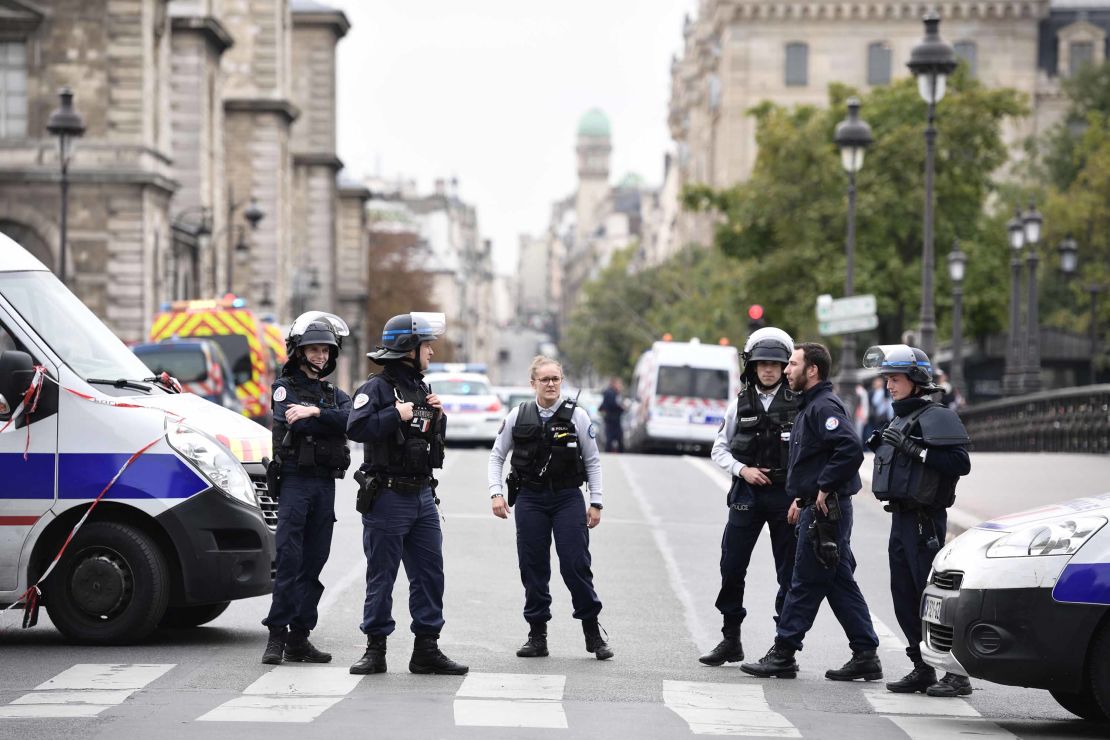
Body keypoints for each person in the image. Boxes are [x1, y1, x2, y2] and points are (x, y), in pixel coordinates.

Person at [741, 342, 881, 681]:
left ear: (812, 370)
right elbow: (814, 460)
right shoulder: (810, 405)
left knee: (802, 580)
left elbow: (849, 449)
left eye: (792, 364)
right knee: (838, 582)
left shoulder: (824, 406)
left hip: (826, 511)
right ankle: (866, 653)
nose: (786, 370)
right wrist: (802, 498)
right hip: (817, 506)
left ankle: (784, 653)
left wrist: (822, 487)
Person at [346, 312, 468, 676]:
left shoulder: (421, 389)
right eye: (426, 345)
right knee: (381, 576)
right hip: (388, 496)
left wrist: (438, 416)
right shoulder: (376, 389)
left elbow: (428, 440)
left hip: (422, 497)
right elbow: (356, 427)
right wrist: (394, 415)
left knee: (430, 574)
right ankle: (375, 649)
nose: (431, 351)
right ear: (407, 348)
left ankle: (426, 649)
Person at [863, 345, 972, 698]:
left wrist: (915, 450)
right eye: (887, 379)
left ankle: (956, 674)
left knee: (933, 599)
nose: (889, 386)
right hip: (901, 518)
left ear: (915, 380)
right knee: (903, 595)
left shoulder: (936, 416)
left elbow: (959, 463)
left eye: (895, 379)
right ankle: (922, 667)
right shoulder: (901, 417)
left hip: (925, 520)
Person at [487, 355, 612, 660]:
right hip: (530, 498)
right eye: (545, 379)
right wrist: (496, 493)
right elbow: (497, 456)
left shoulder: (577, 417)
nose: (552, 384)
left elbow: (593, 461)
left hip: (567, 497)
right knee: (533, 567)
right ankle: (537, 635)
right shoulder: (519, 414)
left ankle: (592, 632)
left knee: (575, 564)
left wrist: (596, 502)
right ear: (533, 383)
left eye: (556, 378)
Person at [700, 327, 799, 667]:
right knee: (731, 565)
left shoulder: (800, 404)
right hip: (747, 493)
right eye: (762, 364)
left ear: (785, 366)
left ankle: (783, 647)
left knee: (787, 572)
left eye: (775, 363)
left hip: (786, 496)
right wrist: (743, 470)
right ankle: (731, 639)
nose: (768, 369)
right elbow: (719, 449)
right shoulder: (738, 404)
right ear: (752, 367)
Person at [261, 312, 353, 665]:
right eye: (313, 349)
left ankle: (299, 639)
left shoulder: (333, 394)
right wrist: (323, 418)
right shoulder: (284, 388)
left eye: (325, 351)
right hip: (296, 482)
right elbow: (289, 421)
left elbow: (353, 421)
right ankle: (276, 636)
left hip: (324, 485)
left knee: (314, 562)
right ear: (299, 352)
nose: (320, 356)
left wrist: (315, 413)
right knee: (289, 560)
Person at [598, 377, 625, 452]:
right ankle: (611, 451)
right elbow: (613, 404)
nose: (620, 386)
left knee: (615, 437)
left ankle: (612, 450)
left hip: (612, 419)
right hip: (612, 419)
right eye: (619, 384)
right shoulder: (611, 393)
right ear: (614, 384)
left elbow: (603, 405)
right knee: (613, 437)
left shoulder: (613, 393)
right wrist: (622, 408)